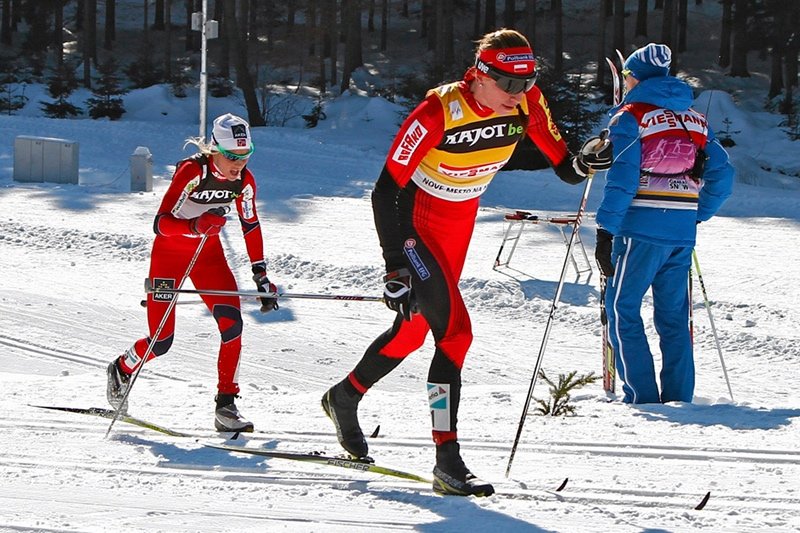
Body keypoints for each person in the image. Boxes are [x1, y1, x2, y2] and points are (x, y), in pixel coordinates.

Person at [321, 28, 612, 497]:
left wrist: (588, 162)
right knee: (456, 334)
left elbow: (564, 166)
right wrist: (394, 265)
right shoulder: (439, 110)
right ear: (480, 75)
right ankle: (447, 459)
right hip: (416, 221)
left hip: (459, 225)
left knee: (416, 330)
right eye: (510, 84)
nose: (519, 94)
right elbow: (384, 191)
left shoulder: (528, 102)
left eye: (528, 82)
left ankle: (344, 395)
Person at [106, 113, 280, 432]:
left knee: (233, 325)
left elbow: (251, 225)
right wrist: (195, 225)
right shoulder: (192, 171)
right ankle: (122, 367)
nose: (238, 164)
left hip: (208, 257)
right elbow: (160, 224)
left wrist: (261, 274)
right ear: (215, 150)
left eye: (245, 156)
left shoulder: (244, 181)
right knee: (161, 341)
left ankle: (226, 406)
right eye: (231, 156)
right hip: (170, 256)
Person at [594, 43, 734, 405]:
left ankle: (642, 396)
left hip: (639, 231)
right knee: (673, 317)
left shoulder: (630, 117)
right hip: (680, 234)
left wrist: (605, 230)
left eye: (626, 76)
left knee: (622, 307)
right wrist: (696, 213)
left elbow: (623, 180)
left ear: (634, 77)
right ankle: (679, 396)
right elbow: (723, 173)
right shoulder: (694, 119)